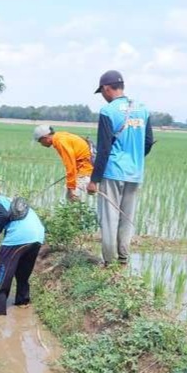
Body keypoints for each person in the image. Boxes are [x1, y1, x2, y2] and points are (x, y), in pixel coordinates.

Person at [86, 70, 154, 266]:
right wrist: (134, 160)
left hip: (113, 171)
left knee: (109, 218)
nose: (104, 96)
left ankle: (109, 261)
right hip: (134, 173)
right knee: (127, 217)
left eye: (103, 92)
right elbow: (148, 142)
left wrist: (94, 180)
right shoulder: (142, 109)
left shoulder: (108, 111)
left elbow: (104, 148)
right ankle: (123, 259)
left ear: (107, 88)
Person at [0, 189, 45, 316]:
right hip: (37, 236)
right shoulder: (6, 201)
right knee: (22, 274)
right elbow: (6, 221)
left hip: (21, 235)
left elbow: (2, 217)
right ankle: (22, 303)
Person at [33, 125, 94, 201]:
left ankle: (77, 212)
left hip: (86, 170)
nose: (41, 144)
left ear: (45, 137)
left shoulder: (60, 142)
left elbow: (70, 165)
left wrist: (71, 188)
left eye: (40, 141)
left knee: (71, 196)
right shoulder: (60, 136)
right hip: (86, 167)